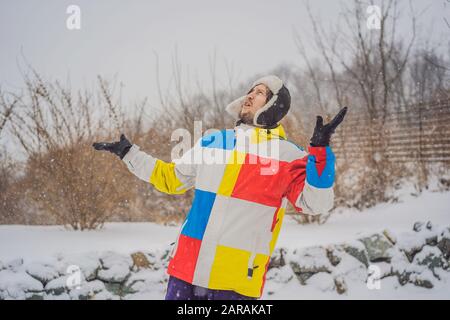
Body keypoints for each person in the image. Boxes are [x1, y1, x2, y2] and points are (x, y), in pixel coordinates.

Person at [93, 75, 347, 300]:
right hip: (186, 271)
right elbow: (170, 179)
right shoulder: (214, 142)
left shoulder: (289, 156)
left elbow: (317, 204)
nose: (250, 95)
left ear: (274, 105)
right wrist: (129, 153)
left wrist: (320, 153)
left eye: (260, 92)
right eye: (251, 89)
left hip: (236, 280)